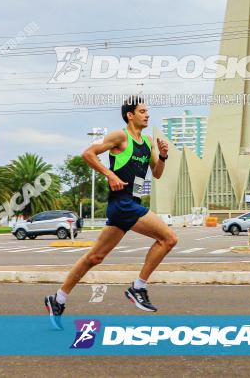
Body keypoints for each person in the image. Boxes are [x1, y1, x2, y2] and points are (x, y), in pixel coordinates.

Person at [45, 96, 178, 327]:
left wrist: (164, 156)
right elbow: (88, 153)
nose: (147, 115)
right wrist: (111, 175)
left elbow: (156, 173)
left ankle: (58, 299)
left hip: (128, 204)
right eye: (143, 111)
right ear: (130, 115)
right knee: (168, 238)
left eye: (148, 111)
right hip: (123, 203)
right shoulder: (120, 137)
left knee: (94, 257)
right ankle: (138, 288)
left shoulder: (147, 142)